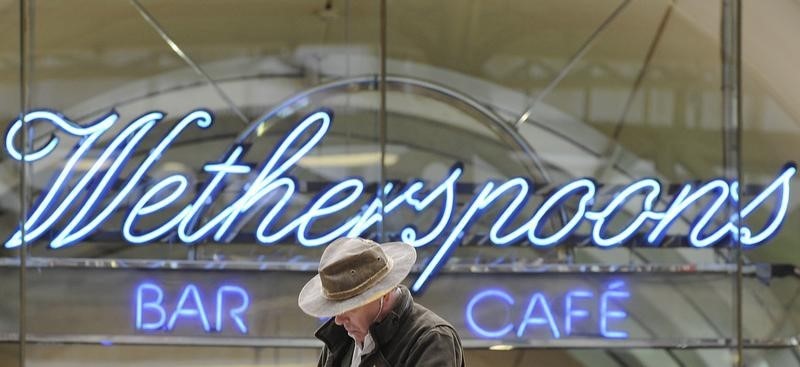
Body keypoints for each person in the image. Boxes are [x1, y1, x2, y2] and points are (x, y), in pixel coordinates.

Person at [298, 237, 465, 367]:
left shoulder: (432, 339)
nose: (339, 320)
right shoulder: (340, 341)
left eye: (348, 307)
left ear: (383, 294)